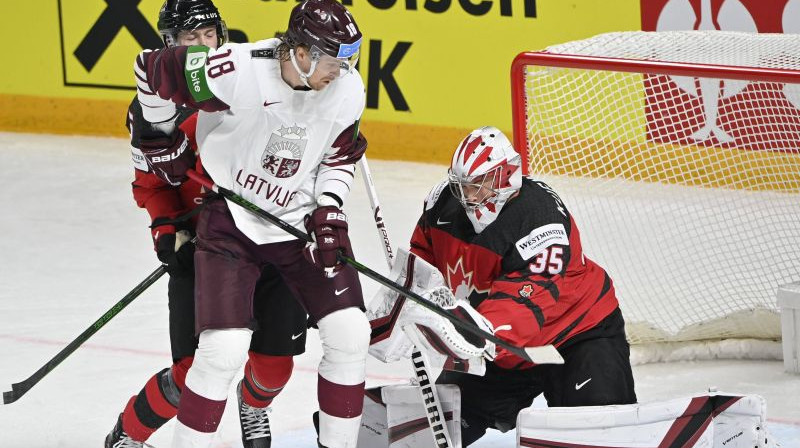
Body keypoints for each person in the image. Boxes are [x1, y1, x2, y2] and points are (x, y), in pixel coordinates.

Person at [132, 1, 371, 447]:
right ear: (301, 52)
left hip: (297, 226)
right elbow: (149, 68)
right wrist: (162, 136)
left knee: (351, 333)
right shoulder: (234, 69)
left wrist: (330, 208)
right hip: (231, 222)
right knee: (221, 351)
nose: (343, 72)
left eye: (349, 61)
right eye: (335, 61)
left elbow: (339, 155)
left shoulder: (347, 88)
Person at [106, 1, 308, 447]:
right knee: (194, 372)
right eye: (187, 38)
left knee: (275, 365)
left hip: (270, 238)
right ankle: (128, 434)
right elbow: (151, 183)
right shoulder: (152, 108)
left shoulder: (252, 83)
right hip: (204, 247)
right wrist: (167, 230)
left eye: (208, 35)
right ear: (168, 45)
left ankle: (253, 407)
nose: (201, 46)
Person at [408, 126, 637, 446]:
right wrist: (412, 298)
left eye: (480, 185)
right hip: (501, 347)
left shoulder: (539, 218)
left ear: (507, 176)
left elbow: (524, 307)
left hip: (578, 332)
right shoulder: (442, 205)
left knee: (597, 432)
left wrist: (465, 328)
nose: (469, 196)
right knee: (438, 424)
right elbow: (423, 260)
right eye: (463, 186)